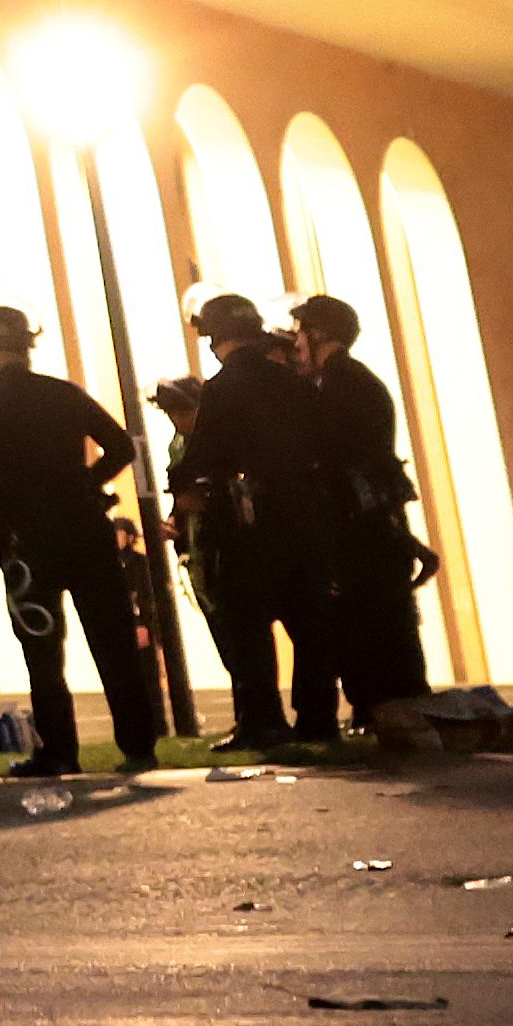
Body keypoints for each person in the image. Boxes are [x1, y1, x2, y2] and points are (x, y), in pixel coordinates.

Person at [0, 307, 158, 775]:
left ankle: (59, 752)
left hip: (26, 546)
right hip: (87, 532)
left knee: (42, 652)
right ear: (27, 344)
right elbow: (121, 446)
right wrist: (86, 483)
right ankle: (139, 746)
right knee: (115, 645)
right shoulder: (64, 395)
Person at [174, 294, 327, 749]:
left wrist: (184, 487)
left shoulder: (223, 387)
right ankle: (317, 717)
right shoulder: (294, 383)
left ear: (213, 338)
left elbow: (202, 454)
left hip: (244, 524)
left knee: (248, 628)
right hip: (300, 516)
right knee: (308, 624)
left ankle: (264, 721)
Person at [281, 296, 429, 716]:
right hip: (374, 519)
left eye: (300, 332)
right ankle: (395, 704)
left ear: (319, 333)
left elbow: (328, 455)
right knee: (386, 619)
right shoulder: (355, 381)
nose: (296, 343)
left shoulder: (338, 385)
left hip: (357, 524)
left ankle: (383, 707)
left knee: (367, 619)